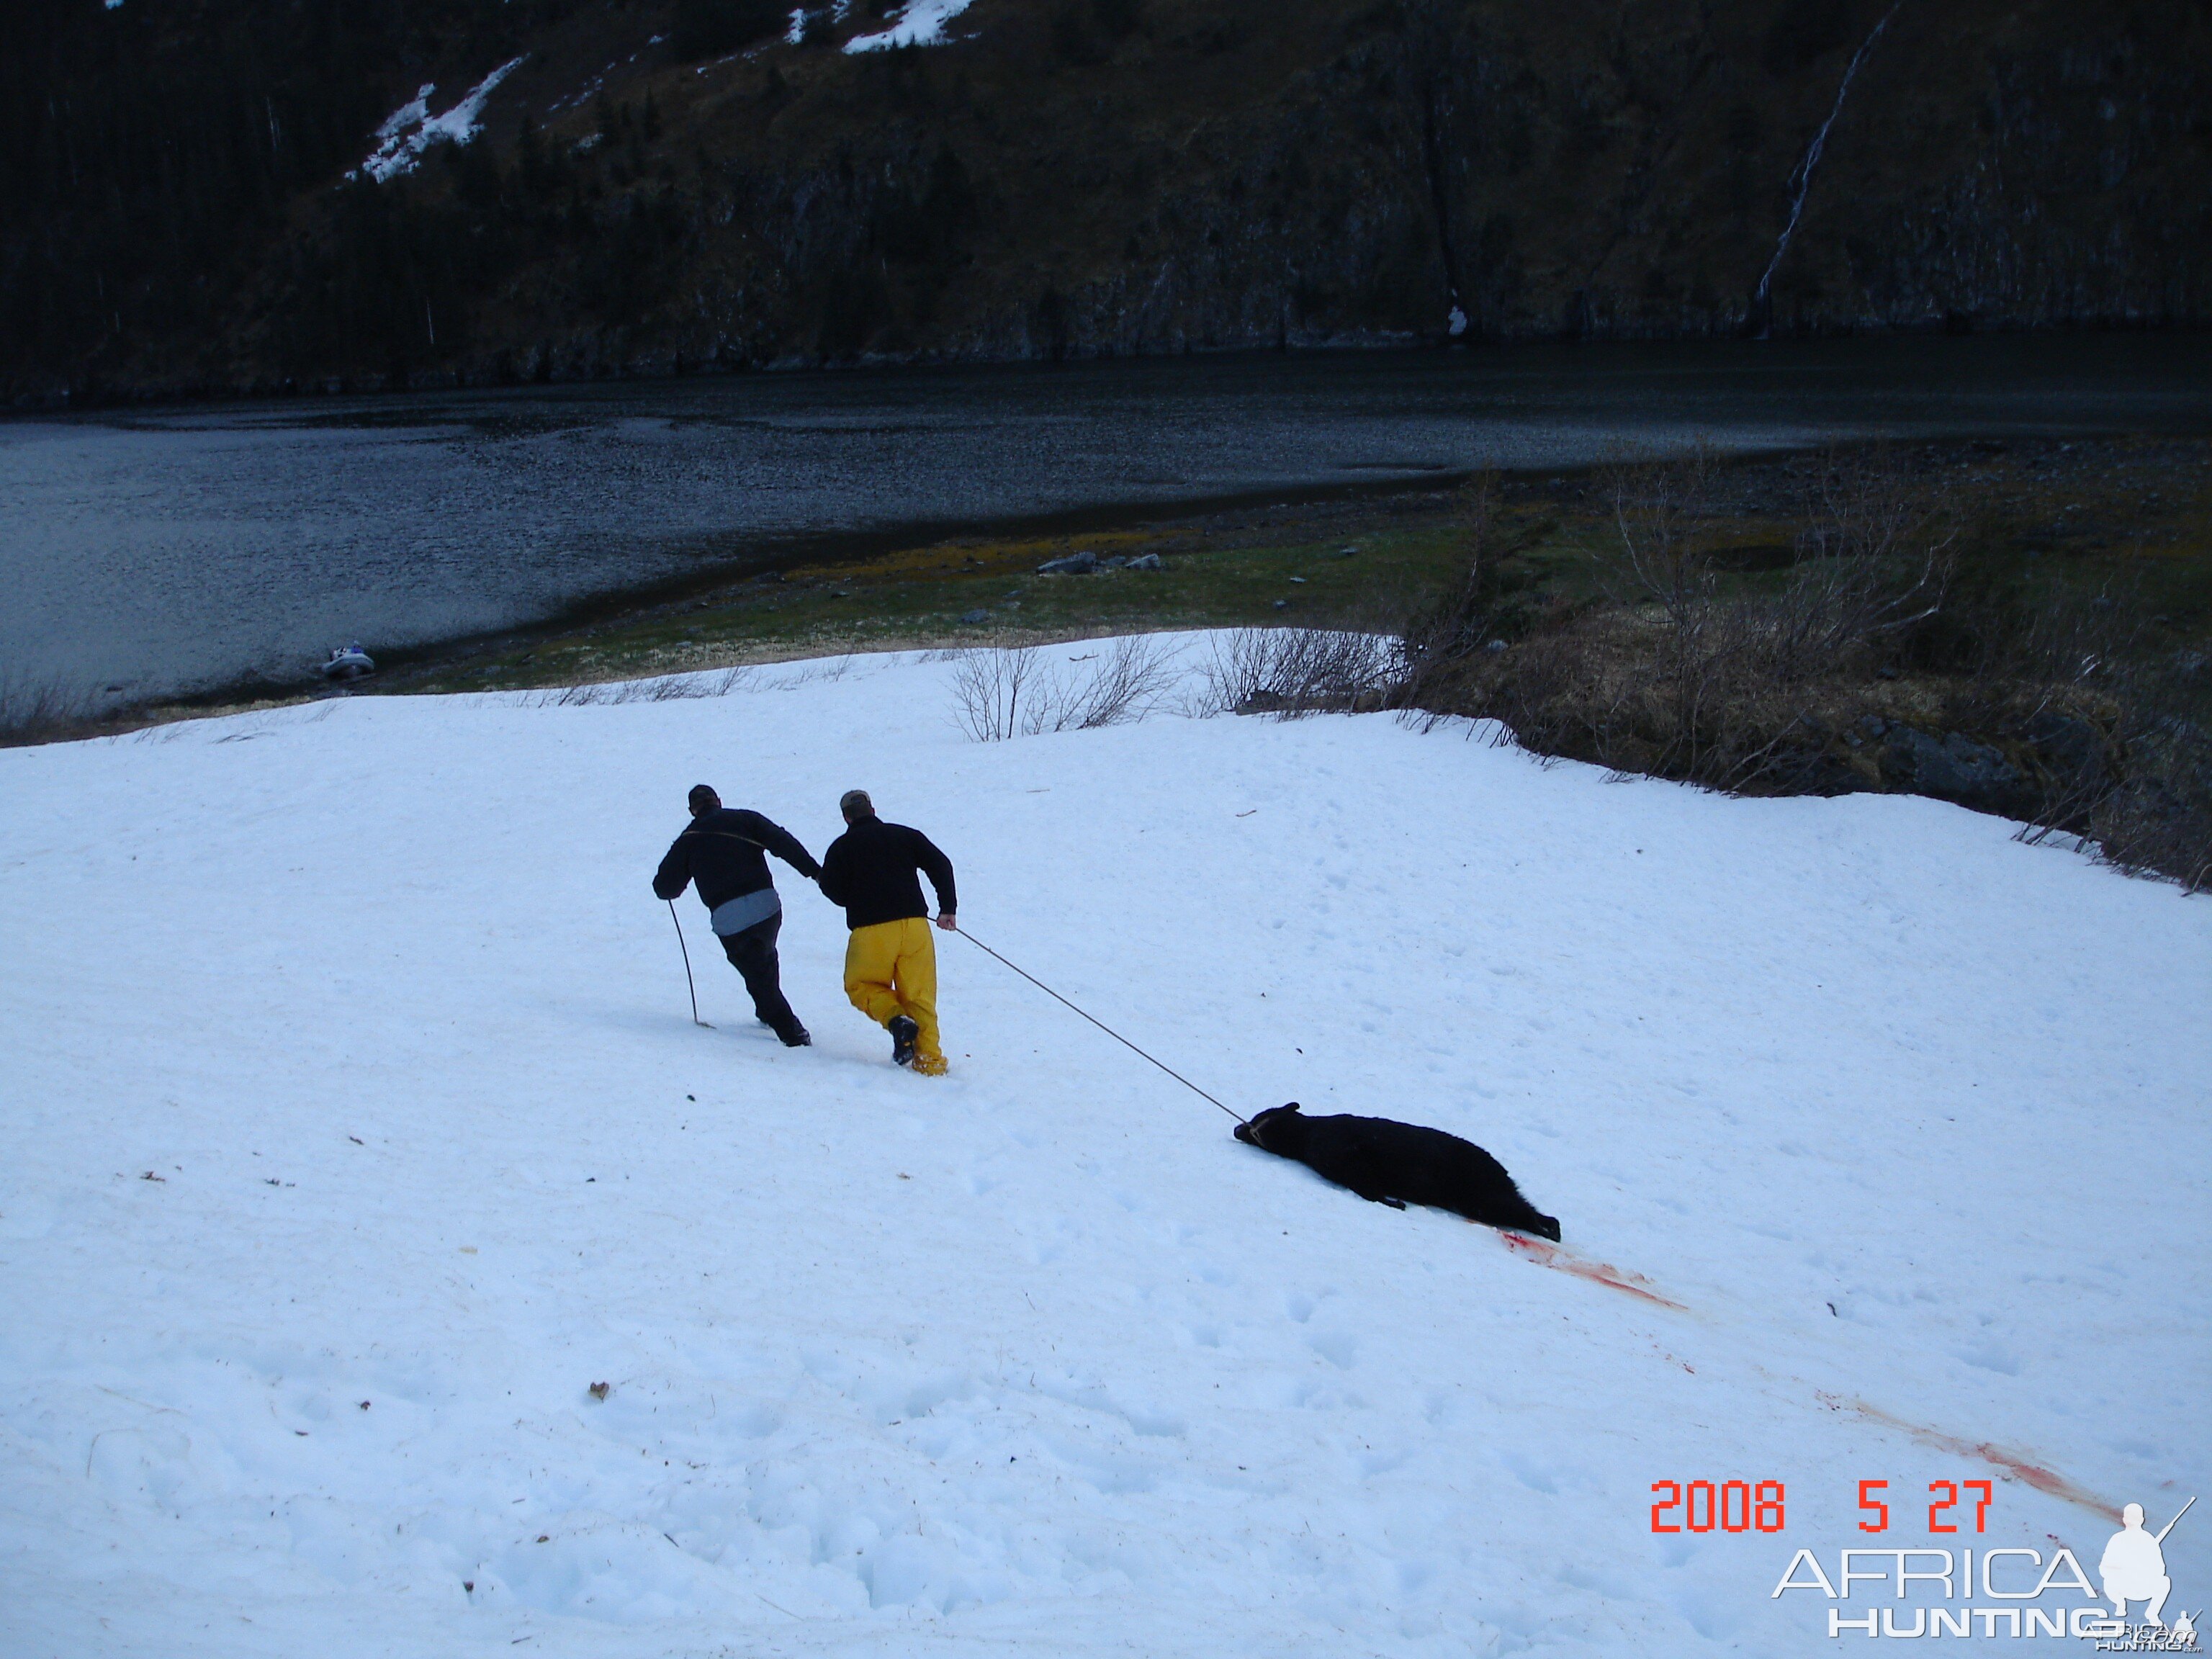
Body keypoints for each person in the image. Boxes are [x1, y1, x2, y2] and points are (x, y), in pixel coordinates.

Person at [652, 784, 820, 1047]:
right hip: (767, 906)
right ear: (718, 801)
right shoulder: (745, 819)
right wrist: (814, 871)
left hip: (728, 918)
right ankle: (767, 1011)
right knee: (763, 955)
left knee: (756, 974)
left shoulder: (689, 838)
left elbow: (664, 888)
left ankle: (792, 1033)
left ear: (692, 810)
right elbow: (782, 842)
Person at [817, 788, 956, 1074]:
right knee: (919, 996)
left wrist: (852, 897)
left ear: (846, 818)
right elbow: (940, 864)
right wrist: (947, 908)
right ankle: (930, 1062)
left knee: (862, 985)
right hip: (916, 926)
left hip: (871, 930)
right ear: (873, 810)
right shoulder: (904, 835)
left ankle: (897, 1020)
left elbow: (830, 888)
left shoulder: (841, 848)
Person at [2099, 1503, 2173, 1625]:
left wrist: (2143, 1569)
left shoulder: (2149, 1540)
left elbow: (2160, 1570)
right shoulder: (2117, 1539)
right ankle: (2120, 1604)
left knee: (2165, 1582)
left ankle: (2152, 1613)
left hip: (2144, 1587)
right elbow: (2104, 1568)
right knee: (2108, 1582)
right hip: (2121, 1588)